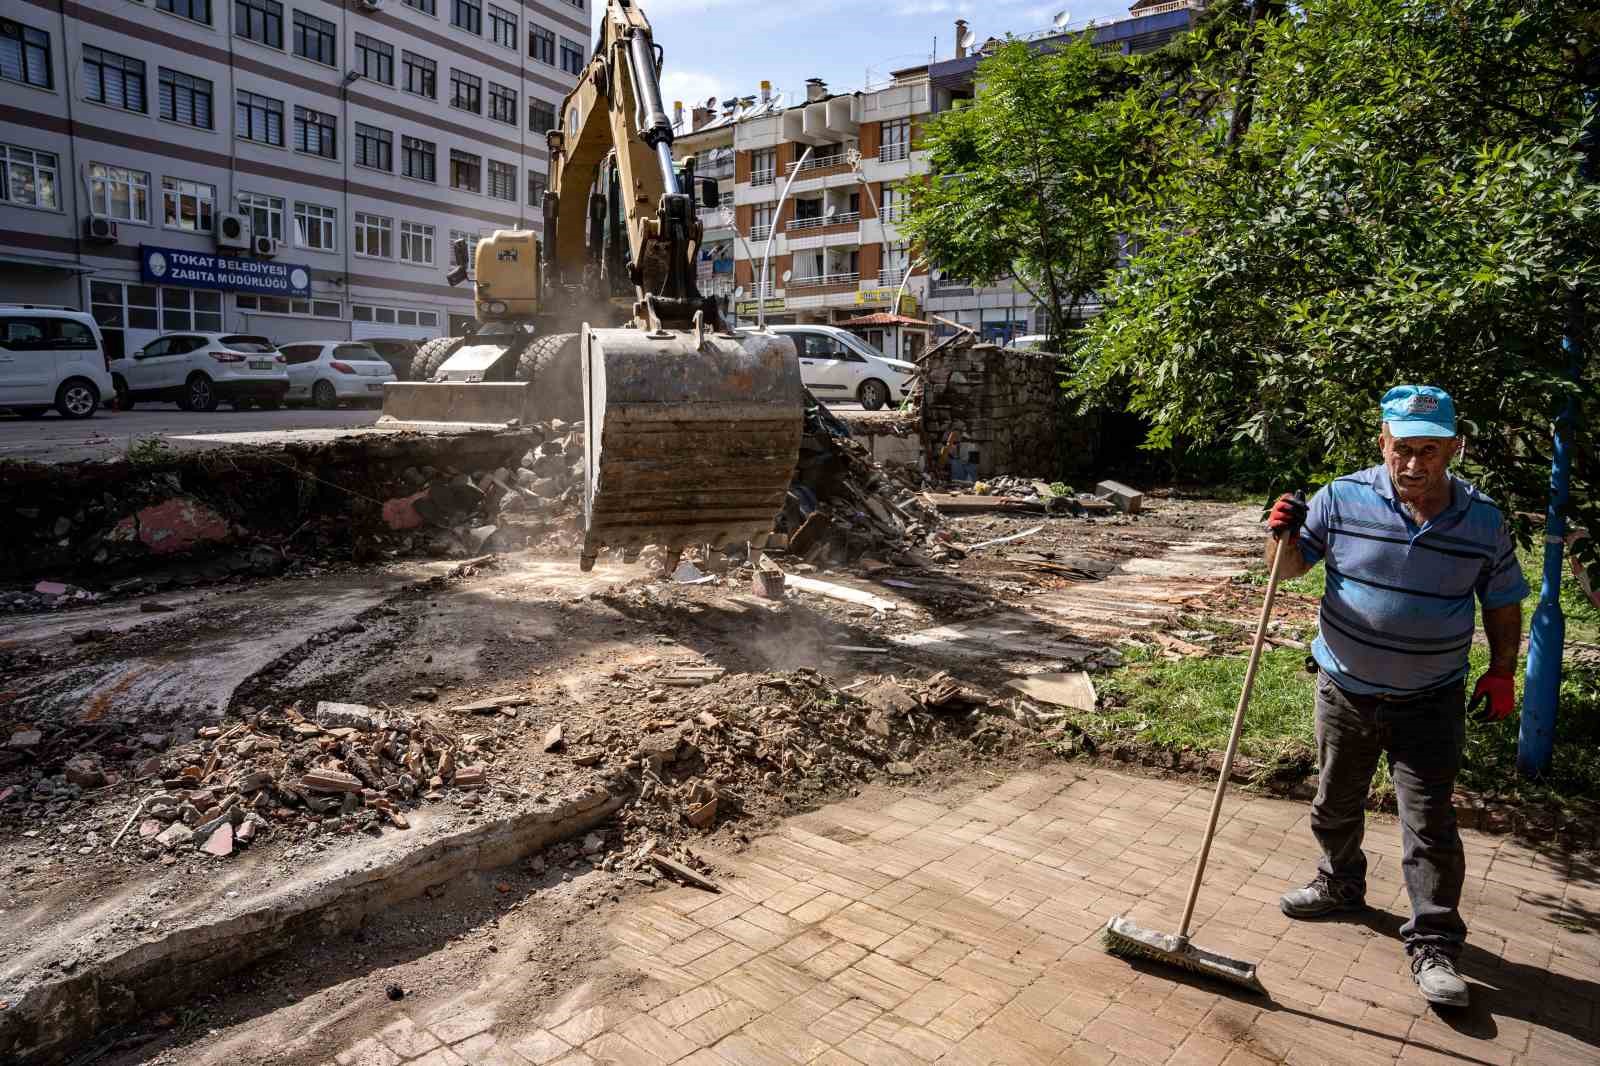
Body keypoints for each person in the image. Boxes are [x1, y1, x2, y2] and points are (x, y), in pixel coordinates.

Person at [1265, 385, 1529, 1009]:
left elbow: (1502, 600)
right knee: (1333, 803)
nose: (1414, 464)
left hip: (1430, 698)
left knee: (1430, 825)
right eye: (1402, 449)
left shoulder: (1484, 520)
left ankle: (1434, 941)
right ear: (1383, 443)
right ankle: (1339, 885)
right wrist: (1280, 535)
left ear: (1454, 449)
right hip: (1344, 688)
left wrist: (1500, 672)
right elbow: (1289, 569)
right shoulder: (1341, 497)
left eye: (1429, 451)